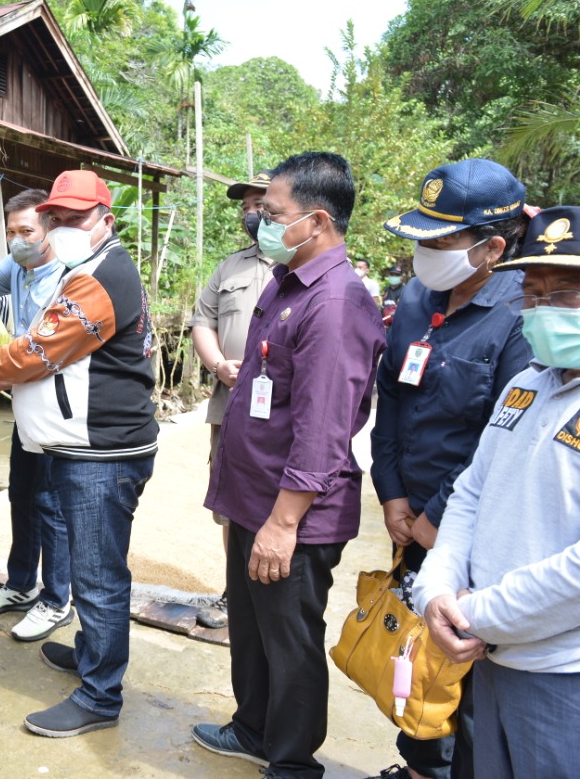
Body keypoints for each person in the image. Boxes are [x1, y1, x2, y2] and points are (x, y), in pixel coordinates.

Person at [189, 152, 385, 779]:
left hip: (291, 513)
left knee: (289, 639)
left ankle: (293, 761)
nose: (259, 224)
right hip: (253, 495)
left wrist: (282, 523)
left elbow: (324, 428)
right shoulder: (286, 279)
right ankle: (253, 727)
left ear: (318, 220)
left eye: (272, 214)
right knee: (250, 626)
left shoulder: (337, 302)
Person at [0, 169, 158, 737]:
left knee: (98, 576)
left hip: (102, 453)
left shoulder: (100, 277)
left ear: (105, 221)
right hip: (83, 445)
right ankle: (94, 653)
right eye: (56, 218)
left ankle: (99, 694)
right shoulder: (82, 267)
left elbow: (39, 352)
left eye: (75, 218)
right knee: (93, 565)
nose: (61, 227)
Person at [368, 158, 531, 779]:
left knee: (462, 664)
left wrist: (438, 517)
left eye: (440, 241)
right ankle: (416, 765)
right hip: (409, 516)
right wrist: (391, 496)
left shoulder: (520, 315)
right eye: (420, 238)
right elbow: (393, 401)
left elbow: (499, 438)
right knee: (413, 651)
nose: (424, 252)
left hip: (471, 534)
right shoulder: (416, 297)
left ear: (492, 247)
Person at [414, 204, 580, 779]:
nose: (542, 310)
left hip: (561, 672)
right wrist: (435, 591)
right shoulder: (524, 385)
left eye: (564, 295)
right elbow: (471, 496)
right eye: (533, 294)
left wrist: (476, 613)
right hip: (486, 653)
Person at [0, 187, 75, 642]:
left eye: (26, 231)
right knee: (21, 494)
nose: (17, 240)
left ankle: (57, 599)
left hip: (59, 407)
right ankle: (19, 585)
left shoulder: (73, 275)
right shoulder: (15, 265)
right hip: (24, 403)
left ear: (49, 227)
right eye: (10, 231)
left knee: (52, 504)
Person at [189, 168, 276, 630]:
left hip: (280, 410)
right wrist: (219, 365)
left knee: (278, 497)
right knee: (230, 501)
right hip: (231, 403)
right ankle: (234, 593)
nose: (252, 213)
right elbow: (202, 320)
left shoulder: (302, 265)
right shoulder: (231, 266)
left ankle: (271, 597)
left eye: (261, 203)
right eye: (246, 207)